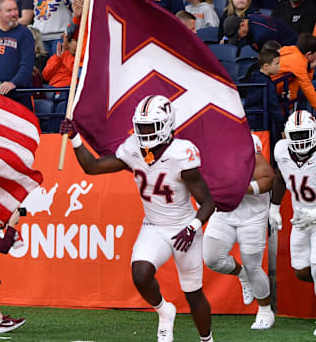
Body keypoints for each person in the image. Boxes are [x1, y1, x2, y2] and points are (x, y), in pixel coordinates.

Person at [60, 95, 216, 342]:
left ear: (166, 125)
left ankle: (207, 340)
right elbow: (92, 168)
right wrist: (75, 138)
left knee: (193, 293)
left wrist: (193, 226)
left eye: (149, 127)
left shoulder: (180, 154)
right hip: (154, 226)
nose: (143, 133)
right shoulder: (133, 149)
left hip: (183, 227)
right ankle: (165, 311)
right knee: (140, 274)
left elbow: (209, 201)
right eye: (140, 127)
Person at [202, 134, 275, 329]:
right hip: (225, 211)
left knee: (254, 266)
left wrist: (240, 189)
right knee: (211, 258)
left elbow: (268, 179)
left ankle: (265, 310)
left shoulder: (246, 143)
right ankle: (241, 275)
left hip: (252, 214)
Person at [269, 110, 316, 337]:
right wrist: (274, 208)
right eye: (295, 135)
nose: (300, 140)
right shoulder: (281, 150)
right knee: (301, 270)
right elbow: (280, 176)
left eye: (304, 134)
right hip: (300, 220)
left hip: (315, 218)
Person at [271, 34, 316, 111]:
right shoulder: (298, 60)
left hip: (277, 96)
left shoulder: (292, 50)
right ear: (309, 54)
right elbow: (307, 88)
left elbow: (308, 80)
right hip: (273, 98)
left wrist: (310, 68)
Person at [223, 13, 298, 51]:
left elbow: (274, 57)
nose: (238, 38)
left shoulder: (261, 35)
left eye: (237, 35)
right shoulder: (250, 19)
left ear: (242, 25)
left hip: (292, 49)